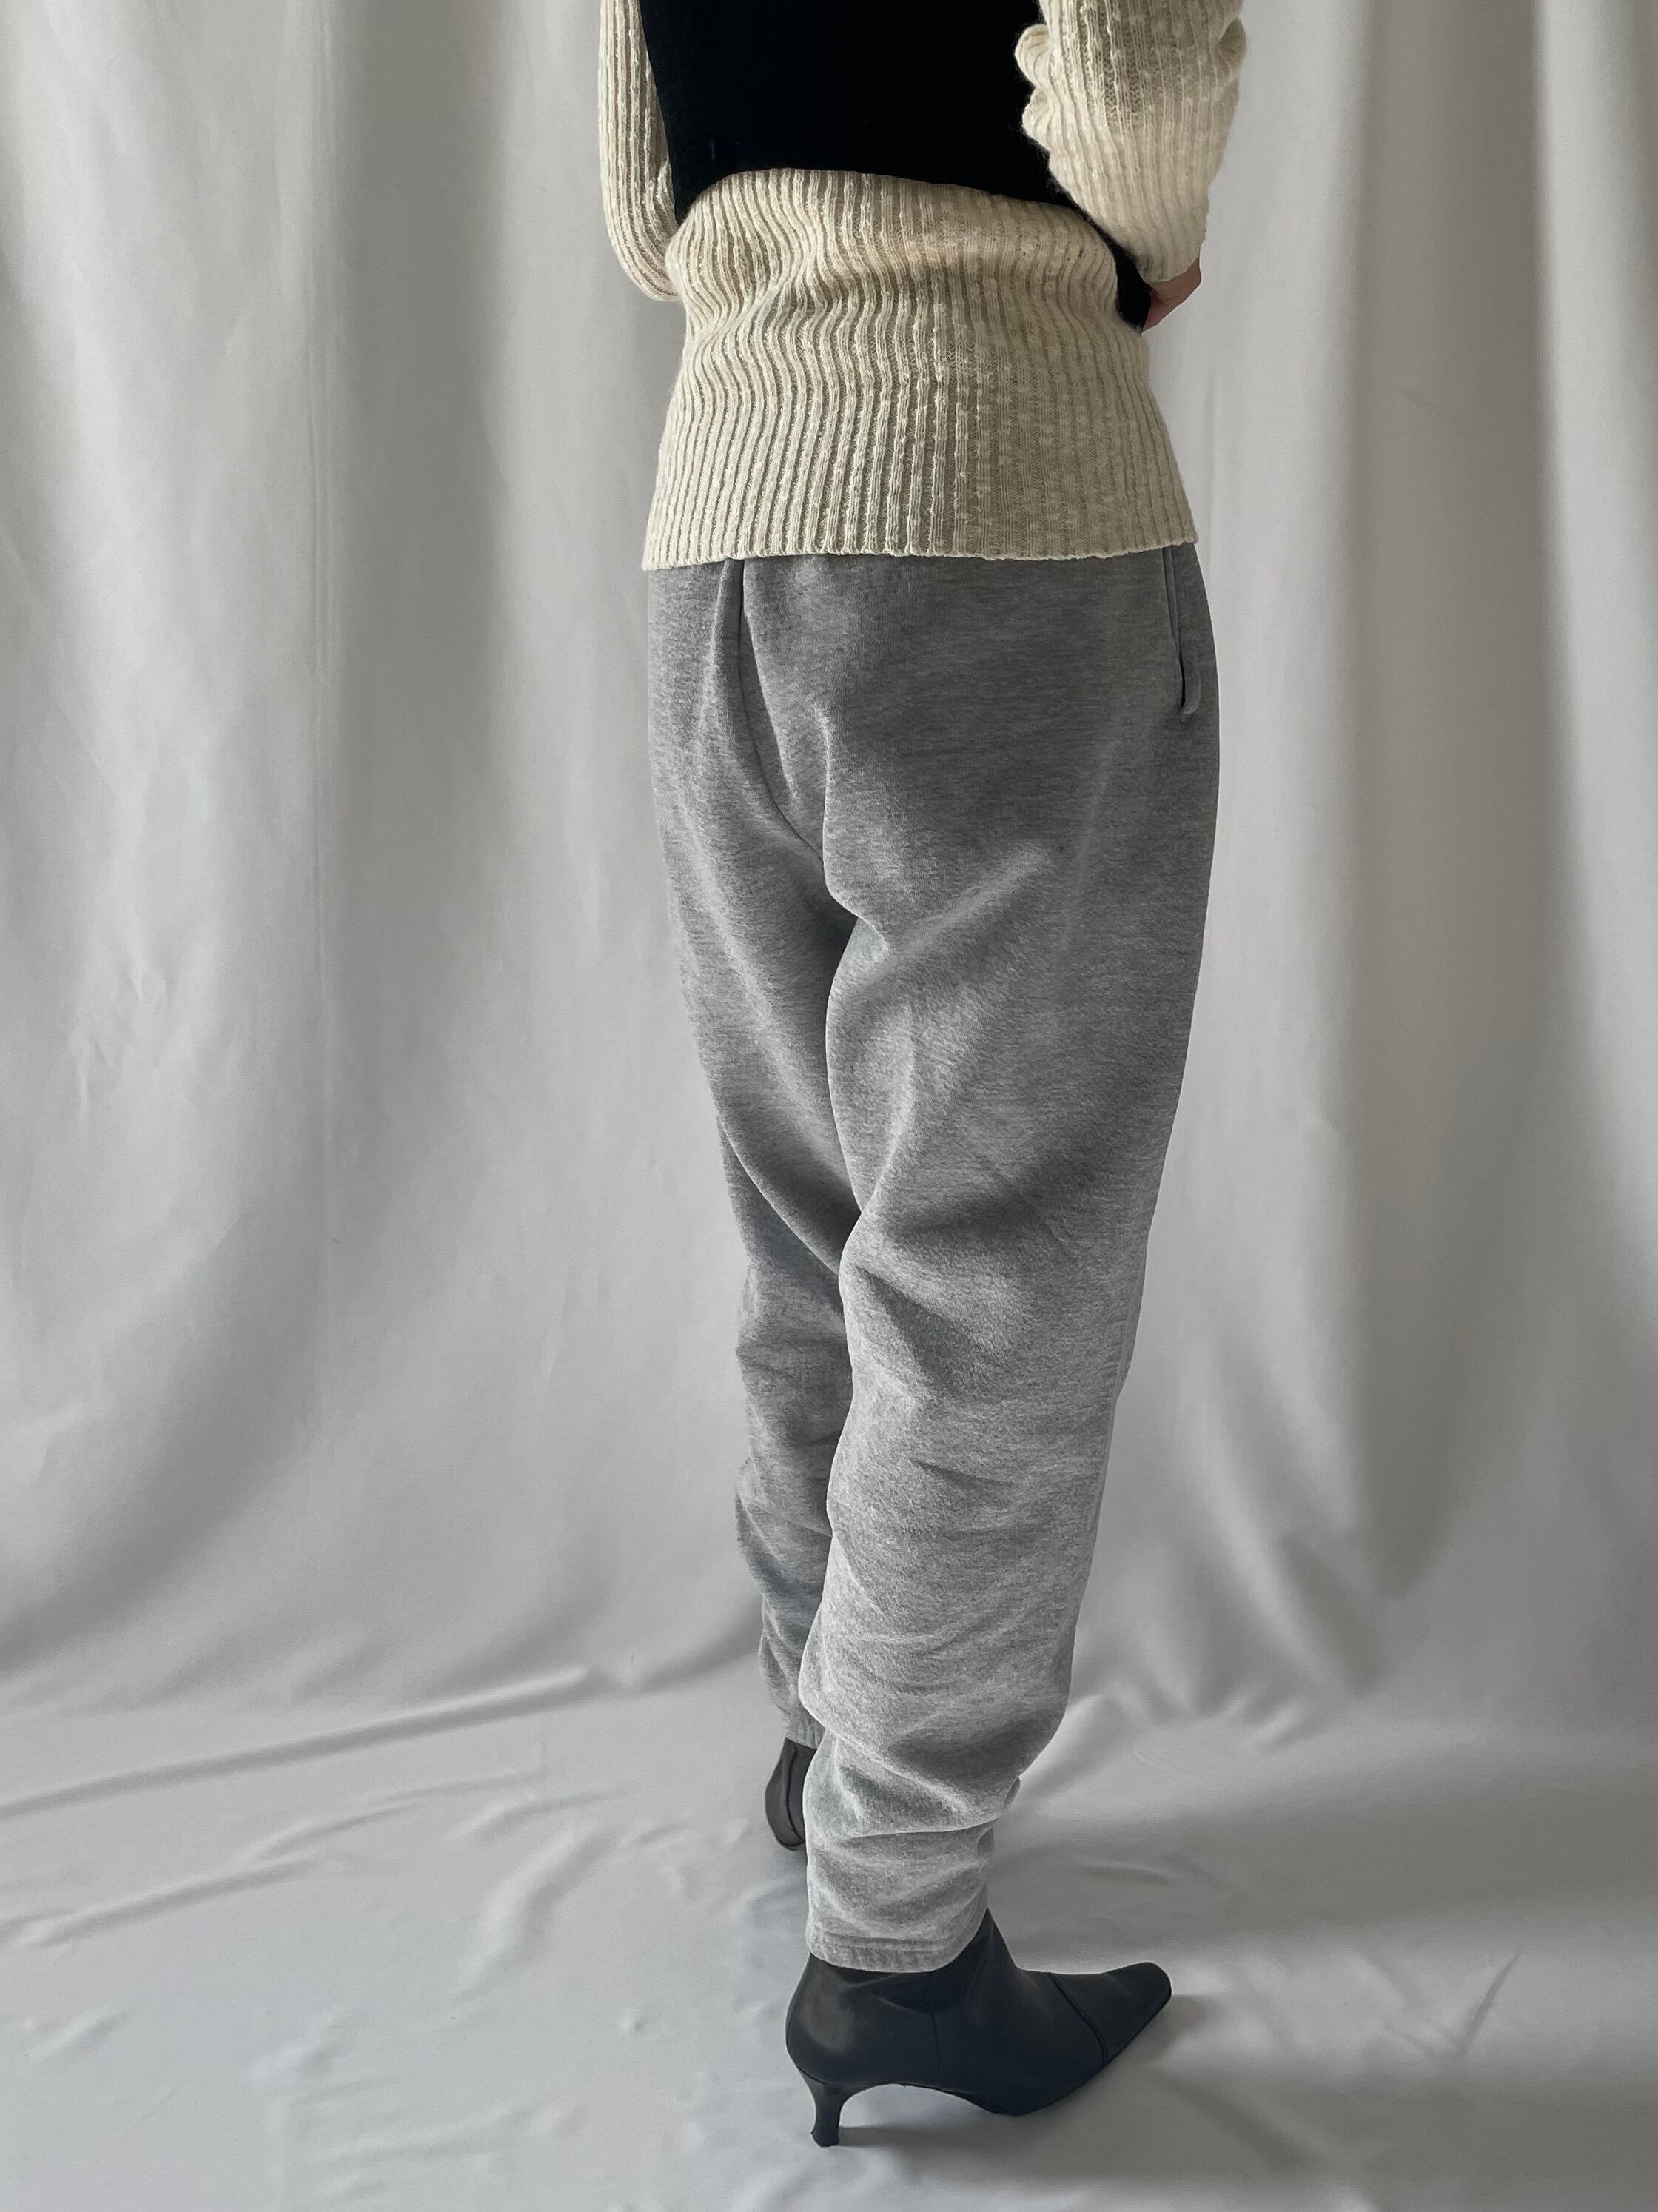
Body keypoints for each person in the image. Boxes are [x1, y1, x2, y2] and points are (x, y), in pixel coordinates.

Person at [599, 0, 1246, 2147]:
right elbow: (1130, 74)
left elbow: (643, 196)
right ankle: (894, 1939)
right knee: (993, 1264)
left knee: (818, 1210)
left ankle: (834, 1748)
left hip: (723, 522)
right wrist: (1151, 244)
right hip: (1003, 498)